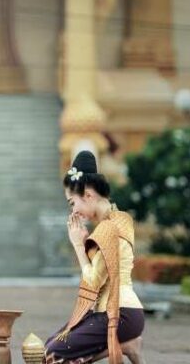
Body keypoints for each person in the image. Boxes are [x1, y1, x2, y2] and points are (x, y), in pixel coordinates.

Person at [43, 151, 145, 364]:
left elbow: (93, 282)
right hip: (121, 312)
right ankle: (125, 345)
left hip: (120, 314)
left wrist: (79, 245)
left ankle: (125, 345)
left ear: (88, 195)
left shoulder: (108, 229)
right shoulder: (121, 219)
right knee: (50, 347)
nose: (73, 211)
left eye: (72, 203)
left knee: (51, 355)